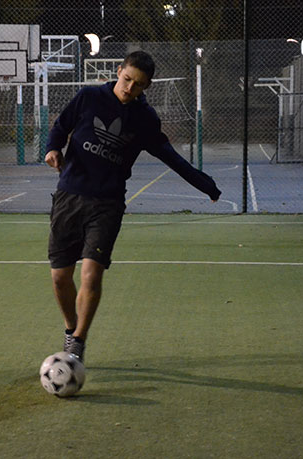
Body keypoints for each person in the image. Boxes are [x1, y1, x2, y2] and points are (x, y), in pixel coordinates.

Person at [45, 50, 221, 362]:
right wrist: (53, 149)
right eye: (127, 79)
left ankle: (78, 344)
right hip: (69, 197)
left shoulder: (144, 119)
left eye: (138, 85)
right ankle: (71, 328)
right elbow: (60, 126)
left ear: (147, 86)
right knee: (60, 277)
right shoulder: (88, 97)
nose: (129, 88)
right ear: (119, 71)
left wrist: (205, 184)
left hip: (107, 204)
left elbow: (171, 156)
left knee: (91, 274)